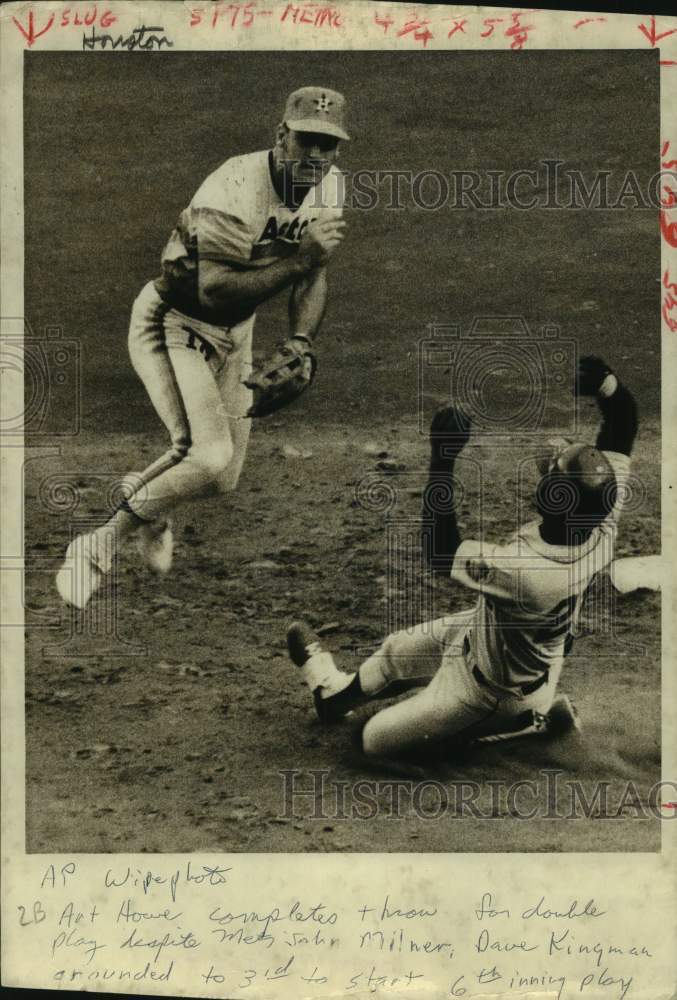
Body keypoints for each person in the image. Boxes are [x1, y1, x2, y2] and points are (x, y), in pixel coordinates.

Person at [57, 87, 349, 609]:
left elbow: (314, 276)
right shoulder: (234, 187)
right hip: (172, 323)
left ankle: (153, 508)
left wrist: (302, 339)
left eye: (328, 146)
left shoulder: (330, 188)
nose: (316, 157)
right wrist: (301, 261)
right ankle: (94, 547)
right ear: (281, 135)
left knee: (222, 476)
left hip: (235, 334)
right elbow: (214, 288)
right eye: (306, 141)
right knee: (205, 453)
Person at [287, 356, 638, 760]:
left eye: (551, 477)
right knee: (396, 652)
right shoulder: (600, 520)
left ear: (554, 502)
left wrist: (443, 459)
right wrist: (608, 386)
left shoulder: (530, 572)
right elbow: (623, 424)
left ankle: (523, 731)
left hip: (491, 693)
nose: (545, 474)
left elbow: (441, 551)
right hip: (495, 639)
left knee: (376, 741)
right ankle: (330, 694)